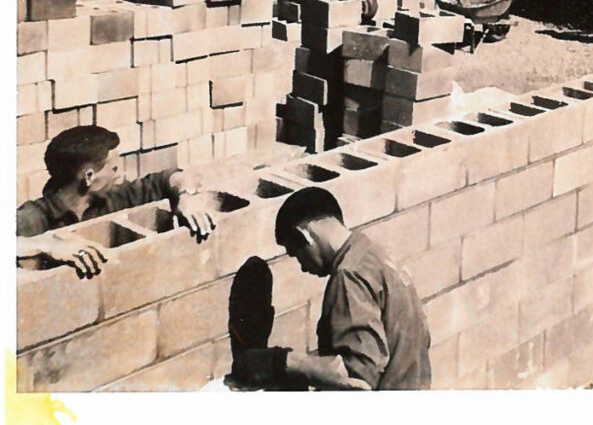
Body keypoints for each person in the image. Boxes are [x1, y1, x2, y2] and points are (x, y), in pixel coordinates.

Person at [232, 186, 431, 391]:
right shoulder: (376, 254)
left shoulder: (349, 275)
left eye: (296, 253)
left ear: (304, 236)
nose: (302, 266)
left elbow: (358, 376)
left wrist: (281, 361)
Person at [16, 125, 215, 277]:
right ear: (89, 176)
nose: (119, 175)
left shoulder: (113, 197)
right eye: (113, 169)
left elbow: (167, 178)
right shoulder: (33, 216)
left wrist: (188, 196)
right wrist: (47, 245)